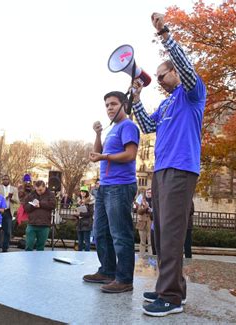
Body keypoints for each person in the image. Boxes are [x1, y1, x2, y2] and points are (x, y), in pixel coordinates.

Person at [132, 13, 206, 317]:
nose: (159, 81)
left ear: (176, 73)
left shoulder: (192, 93)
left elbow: (188, 69)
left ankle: (171, 297)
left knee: (173, 232)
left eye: (163, 76)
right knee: (162, 232)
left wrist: (165, 34)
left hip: (181, 168)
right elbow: (148, 125)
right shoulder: (164, 104)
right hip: (160, 171)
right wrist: (136, 97)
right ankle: (173, 286)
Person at [83, 91, 139, 294]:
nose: (109, 108)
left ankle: (124, 279)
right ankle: (107, 271)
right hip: (105, 187)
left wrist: (104, 155)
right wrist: (97, 134)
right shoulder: (112, 129)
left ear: (124, 105)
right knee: (100, 232)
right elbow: (95, 155)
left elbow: (130, 154)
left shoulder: (128, 126)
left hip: (120, 186)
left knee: (120, 233)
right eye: (107, 105)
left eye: (114, 104)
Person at [23, 180, 55, 251]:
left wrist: (40, 204)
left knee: (40, 247)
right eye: (37, 190)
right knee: (29, 245)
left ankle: (39, 261)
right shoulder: (31, 195)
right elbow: (25, 207)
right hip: (32, 224)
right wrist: (33, 206)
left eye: (40, 190)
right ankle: (27, 261)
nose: (38, 192)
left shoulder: (50, 194)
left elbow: (52, 205)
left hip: (44, 225)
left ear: (44, 187)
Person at [0, 174, 19, 252]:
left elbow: (17, 201)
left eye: (6, 179)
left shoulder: (14, 189)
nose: (5, 180)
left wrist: (11, 198)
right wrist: (5, 198)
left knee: (8, 231)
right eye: (4, 179)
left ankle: (5, 247)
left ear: (9, 180)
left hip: (8, 211)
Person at [73, 186, 94, 252]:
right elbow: (77, 211)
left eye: (84, 192)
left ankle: (87, 257)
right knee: (80, 243)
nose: (83, 193)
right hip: (79, 224)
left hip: (87, 224)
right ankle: (79, 257)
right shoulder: (79, 201)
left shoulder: (90, 201)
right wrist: (75, 214)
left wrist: (80, 214)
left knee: (87, 242)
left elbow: (90, 213)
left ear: (87, 193)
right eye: (82, 191)